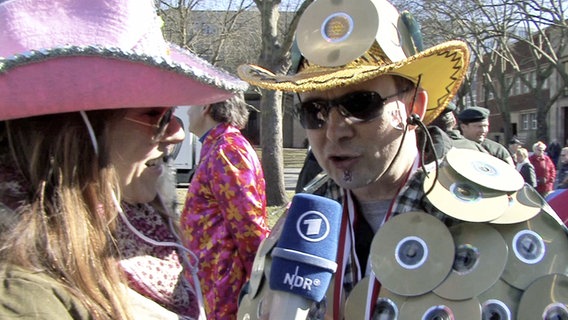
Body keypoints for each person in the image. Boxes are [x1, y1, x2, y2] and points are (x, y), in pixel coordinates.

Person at [0, 0, 249, 319]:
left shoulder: (128, 231)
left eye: (173, 113)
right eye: (155, 114)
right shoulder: (23, 294)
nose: (176, 133)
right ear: (76, 134)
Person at [180, 95, 270, 319]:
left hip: (223, 289)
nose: (185, 111)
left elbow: (250, 227)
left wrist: (261, 286)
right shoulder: (218, 146)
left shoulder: (227, 150)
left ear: (204, 105)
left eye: (189, 103)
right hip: (211, 284)